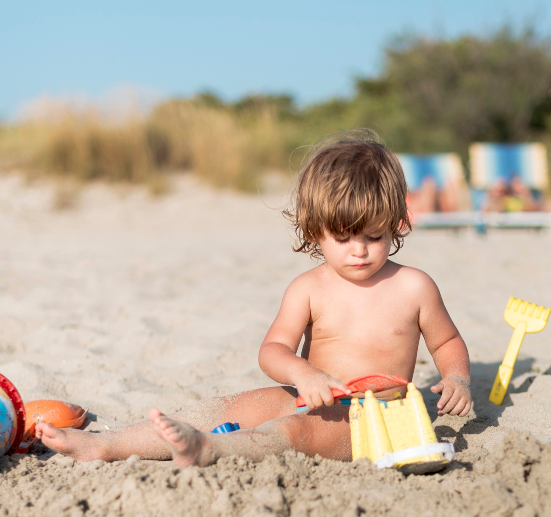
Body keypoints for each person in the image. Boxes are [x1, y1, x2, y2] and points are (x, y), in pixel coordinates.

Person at [36, 131, 471, 468]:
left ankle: (209, 449)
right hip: (309, 392)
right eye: (342, 238)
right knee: (230, 405)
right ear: (316, 230)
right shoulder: (309, 287)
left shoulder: (414, 287)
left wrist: (457, 379)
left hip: (370, 419)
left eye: (373, 236)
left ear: (397, 225)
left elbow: (447, 342)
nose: (358, 250)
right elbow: (273, 350)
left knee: (292, 432)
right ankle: (105, 444)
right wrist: (303, 374)